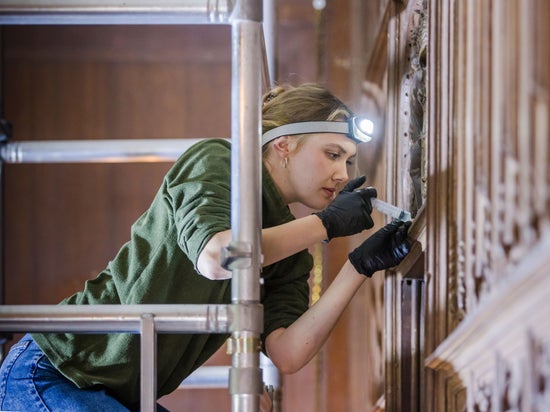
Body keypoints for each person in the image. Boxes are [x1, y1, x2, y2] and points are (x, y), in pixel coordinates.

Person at [0, 83, 412, 411]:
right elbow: (219, 256)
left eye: (350, 162)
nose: (342, 174)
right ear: (284, 145)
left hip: (119, 395)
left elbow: (287, 352)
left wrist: (359, 266)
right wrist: (324, 224)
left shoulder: (289, 244)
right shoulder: (218, 160)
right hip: (56, 371)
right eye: (332, 154)